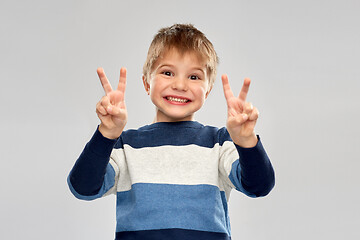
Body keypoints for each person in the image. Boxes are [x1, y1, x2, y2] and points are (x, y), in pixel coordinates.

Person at [67, 23, 275, 240]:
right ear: (147, 83)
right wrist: (106, 134)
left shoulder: (220, 143)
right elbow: (83, 188)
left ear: (208, 90)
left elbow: (259, 186)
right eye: (167, 73)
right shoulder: (125, 146)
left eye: (194, 77)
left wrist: (246, 141)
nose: (180, 85)